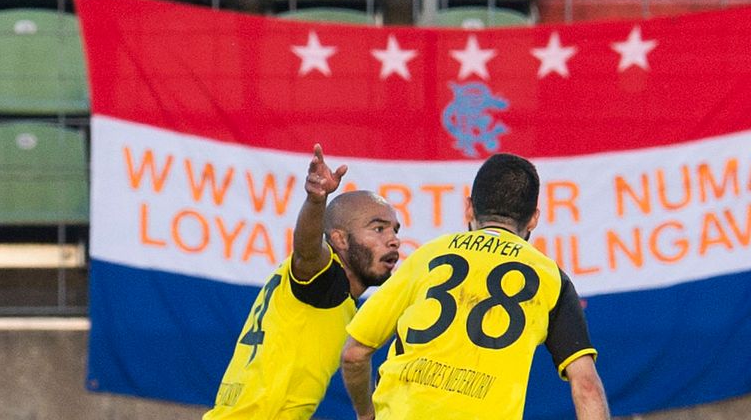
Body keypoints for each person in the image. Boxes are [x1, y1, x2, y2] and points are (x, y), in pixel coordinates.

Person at [341, 153, 610, 420]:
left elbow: (354, 354)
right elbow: (586, 385)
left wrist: (366, 414)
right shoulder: (551, 278)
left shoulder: (429, 256)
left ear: (469, 208)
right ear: (533, 220)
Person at [204, 144, 401, 420]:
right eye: (378, 228)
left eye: (394, 230)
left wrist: (366, 413)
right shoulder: (324, 279)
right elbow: (307, 251)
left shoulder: (335, 297)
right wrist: (316, 201)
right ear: (340, 239)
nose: (393, 239)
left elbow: (354, 356)